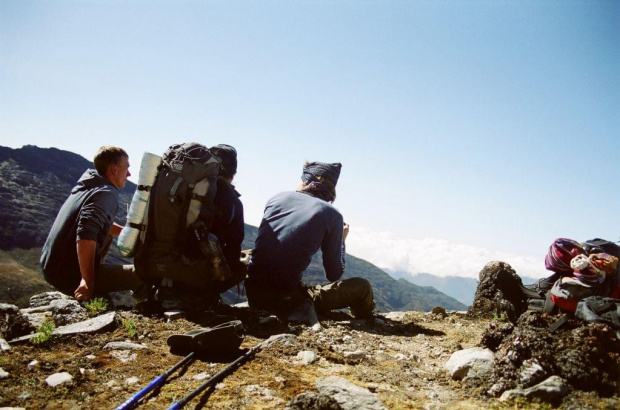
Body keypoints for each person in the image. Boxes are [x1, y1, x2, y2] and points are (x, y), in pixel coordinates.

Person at [245, 161, 375, 319]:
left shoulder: (277, 198)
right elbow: (334, 273)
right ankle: (364, 319)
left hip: (253, 292)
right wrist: (341, 240)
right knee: (362, 287)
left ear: (306, 180)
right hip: (286, 299)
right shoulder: (332, 214)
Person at [40, 146, 150, 302]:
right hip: (67, 275)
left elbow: (100, 223)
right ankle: (147, 308)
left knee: (106, 235)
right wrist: (87, 281)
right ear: (114, 169)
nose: (129, 174)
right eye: (127, 168)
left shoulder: (88, 185)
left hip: (51, 268)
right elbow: (85, 234)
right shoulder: (106, 193)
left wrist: (129, 233)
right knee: (147, 274)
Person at [208, 144, 246, 293]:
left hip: (158, 268)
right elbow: (233, 248)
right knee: (244, 265)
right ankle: (206, 296)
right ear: (233, 174)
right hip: (197, 276)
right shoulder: (232, 201)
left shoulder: (186, 189)